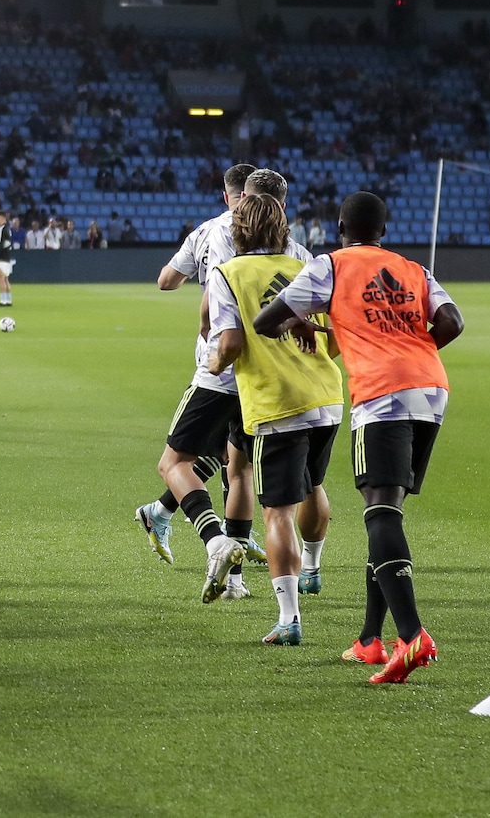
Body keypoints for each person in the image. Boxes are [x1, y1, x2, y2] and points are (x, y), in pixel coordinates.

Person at [255, 191, 463, 683]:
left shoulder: (331, 265)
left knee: (379, 511)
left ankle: (412, 637)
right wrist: (407, 346)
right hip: (431, 388)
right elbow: (453, 322)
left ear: (340, 225)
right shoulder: (413, 268)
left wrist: (308, 322)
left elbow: (267, 321)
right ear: (383, 232)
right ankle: (370, 639)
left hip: (382, 393)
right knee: (387, 510)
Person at [138, 164, 295, 597]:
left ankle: (207, 538)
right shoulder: (293, 246)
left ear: (234, 196)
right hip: (268, 371)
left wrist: (211, 339)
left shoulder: (214, 231)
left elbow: (178, 286)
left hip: (222, 366)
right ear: (281, 204)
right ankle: (235, 580)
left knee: (179, 462)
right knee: (238, 468)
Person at [209, 191, 342, 646]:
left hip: (276, 404)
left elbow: (228, 343)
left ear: (237, 230)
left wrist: (211, 367)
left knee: (277, 511)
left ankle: (289, 618)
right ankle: (314, 565)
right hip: (326, 396)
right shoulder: (307, 268)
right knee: (313, 486)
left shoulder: (228, 273)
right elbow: (335, 337)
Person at [0, 209, 18, 308]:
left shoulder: (4, 229)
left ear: (2, 218)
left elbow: (3, 245)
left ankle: (3, 301)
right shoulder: (1, 229)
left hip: (2, 257)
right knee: (5, 279)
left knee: (1, 278)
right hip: (5, 256)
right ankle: (8, 300)